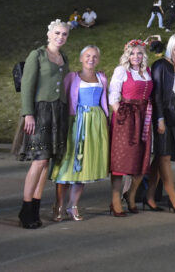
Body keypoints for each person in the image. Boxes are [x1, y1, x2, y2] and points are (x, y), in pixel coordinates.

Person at [14, 20, 69, 228]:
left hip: (58, 112)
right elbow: (27, 86)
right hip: (40, 111)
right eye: (57, 33)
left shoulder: (64, 57)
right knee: (39, 160)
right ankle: (26, 208)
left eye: (64, 34)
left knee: (47, 161)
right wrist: (28, 113)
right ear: (49, 34)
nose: (60, 37)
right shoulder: (36, 55)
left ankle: (34, 208)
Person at [50, 44, 108, 222]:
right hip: (76, 123)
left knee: (85, 166)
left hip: (95, 124)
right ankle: (58, 205)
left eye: (95, 56)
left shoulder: (102, 78)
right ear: (81, 59)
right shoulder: (72, 77)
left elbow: (104, 101)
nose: (91, 59)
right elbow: (64, 101)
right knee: (68, 163)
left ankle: (73, 205)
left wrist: (105, 121)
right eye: (88, 56)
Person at [108, 40, 153, 216]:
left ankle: (131, 195)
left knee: (141, 159)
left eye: (139, 53)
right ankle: (115, 199)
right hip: (126, 118)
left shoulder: (147, 71)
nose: (136, 57)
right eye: (132, 53)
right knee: (121, 160)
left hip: (144, 117)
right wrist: (122, 115)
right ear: (127, 55)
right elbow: (113, 94)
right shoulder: (122, 71)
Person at [145, 34, 175, 213]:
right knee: (164, 156)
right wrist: (160, 118)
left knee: (161, 158)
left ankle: (147, 196)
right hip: (162, 116)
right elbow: (156, 94)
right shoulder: (161, 64)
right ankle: (172, 196)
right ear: (170, 45)